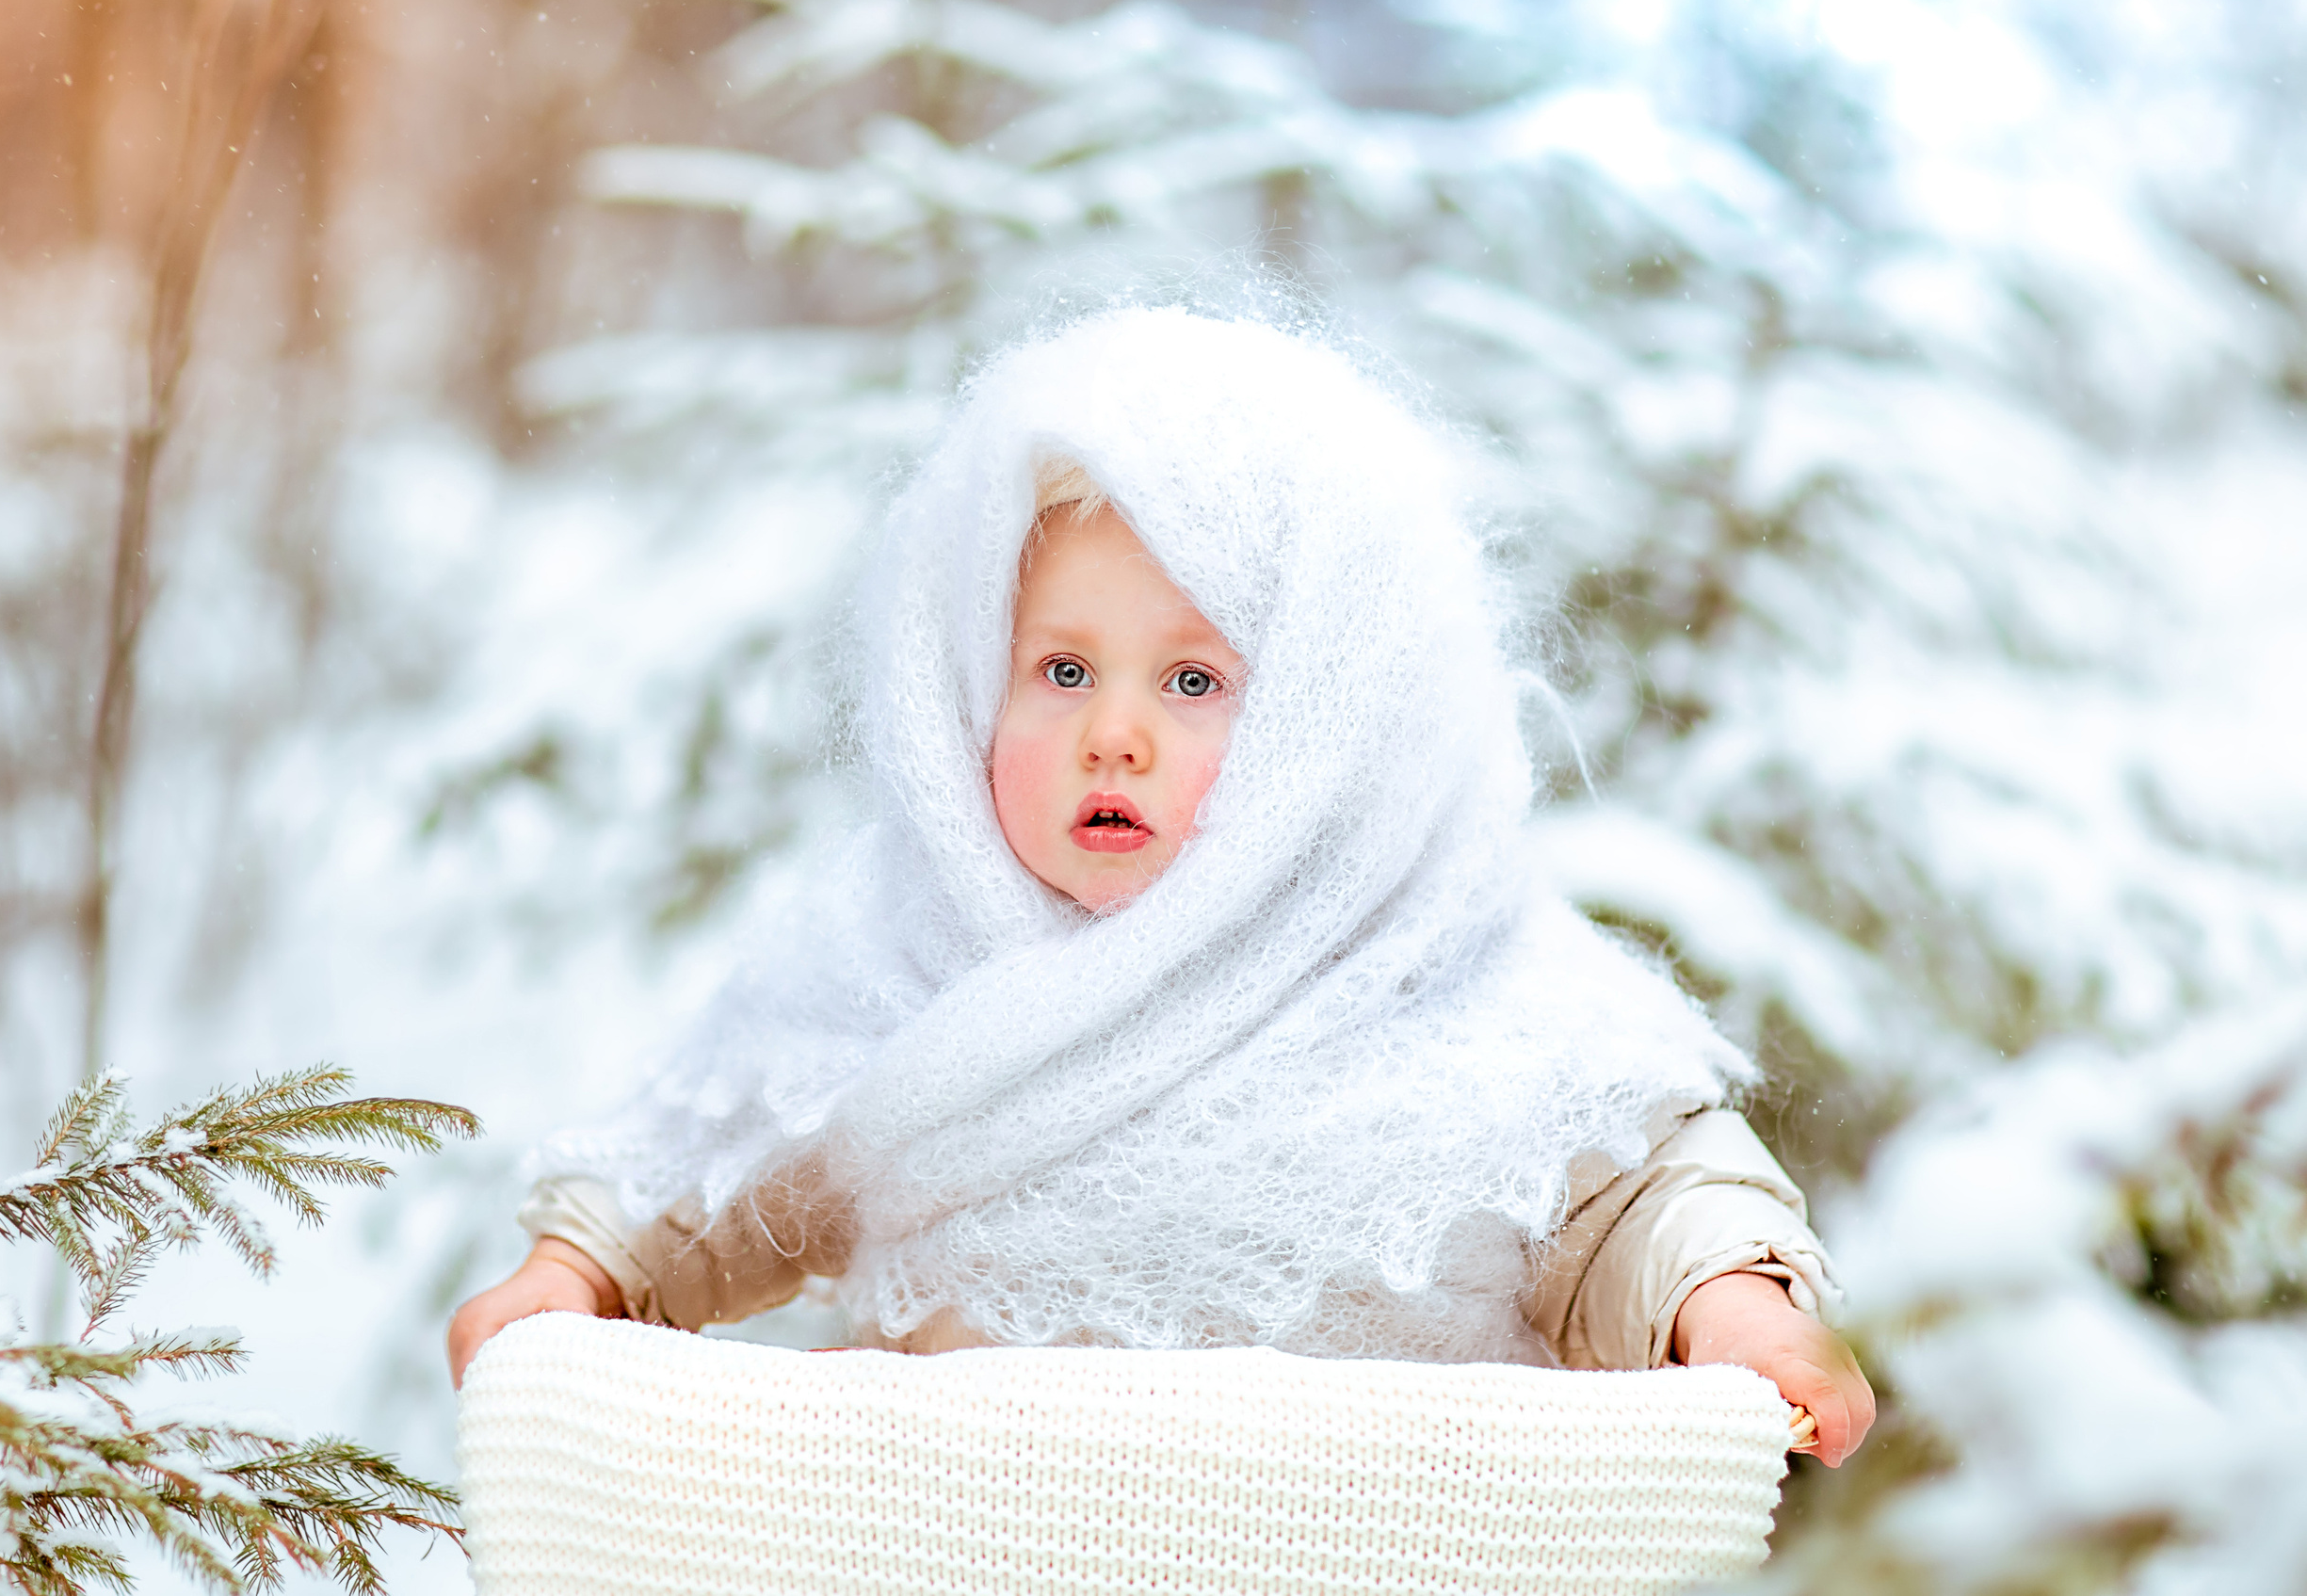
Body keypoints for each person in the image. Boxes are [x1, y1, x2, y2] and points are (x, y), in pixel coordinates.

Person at [448, 307, 1876, 1466]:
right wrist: (580, 1275)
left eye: (1195, 681)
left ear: (1341, 727)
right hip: (958, 1553)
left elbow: (1641, 1189)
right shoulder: (908, 957)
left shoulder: (1459, 975)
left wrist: (1734, 1308)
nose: (1111, 733)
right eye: (1061, 670)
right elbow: (715, 1166)